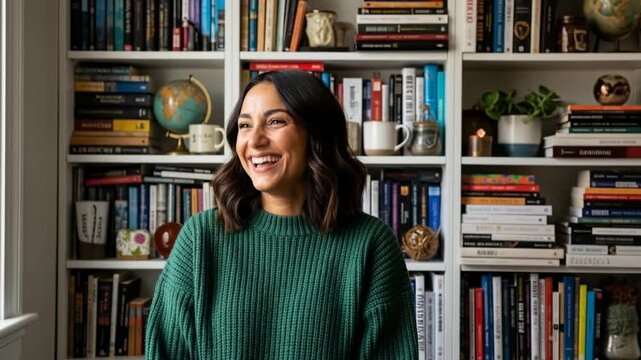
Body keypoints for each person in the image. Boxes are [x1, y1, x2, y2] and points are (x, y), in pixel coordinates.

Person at [145, 70, 418, 359]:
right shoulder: (200, 240)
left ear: (316, 134)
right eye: (245, 125)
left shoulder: (370, 245)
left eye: (275, 121)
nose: (255, 140)